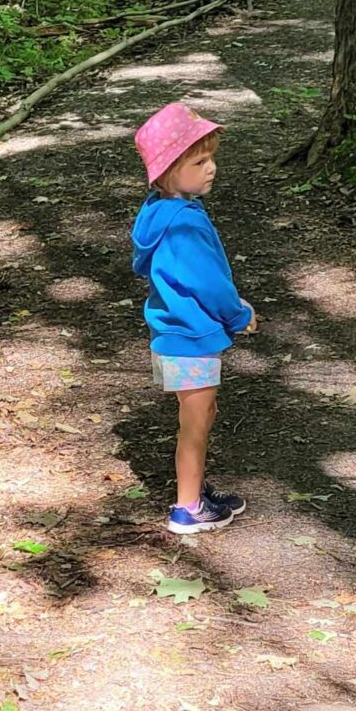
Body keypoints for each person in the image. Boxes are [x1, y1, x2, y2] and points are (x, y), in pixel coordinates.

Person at [130, 100, 256, 535]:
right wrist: (238, 313)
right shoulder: (185, 222)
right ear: (168, 171)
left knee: (201, 412)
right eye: (199, 162)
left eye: (211, 158)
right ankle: (187, 508)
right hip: (190, 338)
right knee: (195, 427)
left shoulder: (159, 212)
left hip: (171, 332)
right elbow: (209, 283)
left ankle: (196, 490)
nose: (211, 168)